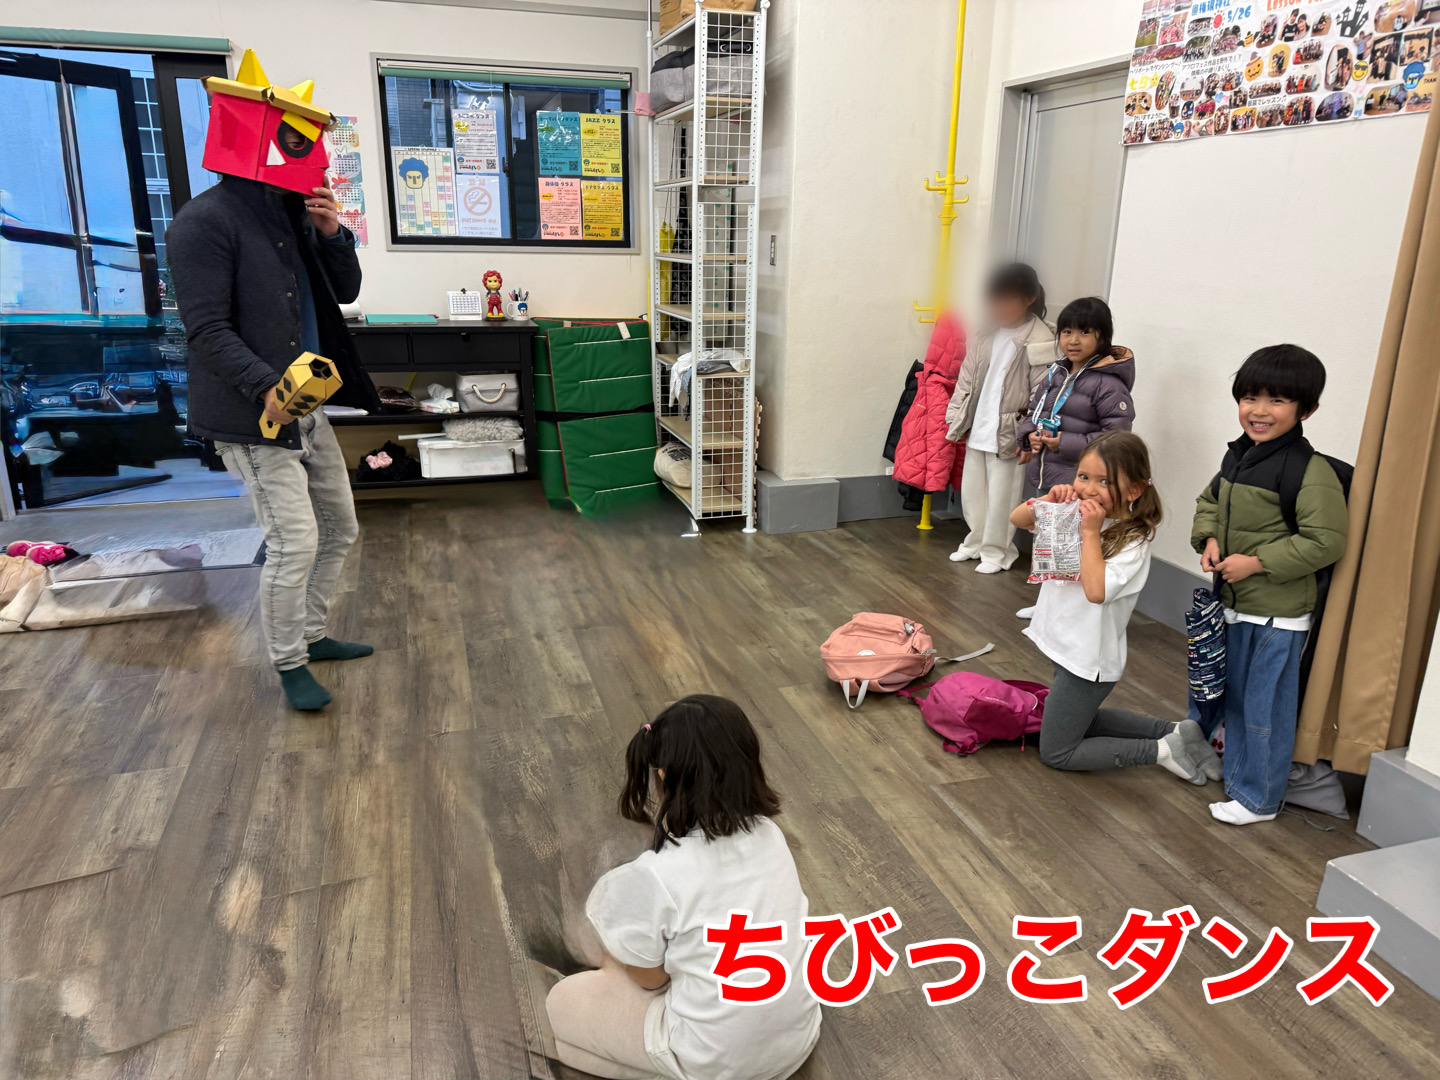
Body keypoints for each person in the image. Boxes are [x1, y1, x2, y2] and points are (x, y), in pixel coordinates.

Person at [168, 112, 378, 712]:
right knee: (294, 542)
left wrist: (332, 233)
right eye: (296, 142)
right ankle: (289, 662)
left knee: (338, 528)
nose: (313, 158)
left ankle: (311, 634)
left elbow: (345, 292)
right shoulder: (203, 222)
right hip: (253, 414)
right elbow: (205, 329)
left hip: (306, 401)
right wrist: (266, 388)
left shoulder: (293, 214)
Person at [547, 695, 820, 1080]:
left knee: (561, 1002)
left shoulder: (656, 874)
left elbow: (652, 980)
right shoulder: (771, 834)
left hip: (716, 1058)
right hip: (798, 1039)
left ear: (661, 775)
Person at [1192, 346, 1348, 825]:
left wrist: (1256, 564)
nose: (1259, 411)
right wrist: (1209, 537)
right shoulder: (1238, 457)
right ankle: (1235, 772)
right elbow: (1208, 501)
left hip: (1278, 615)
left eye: (1277, 400)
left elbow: (1325, 542)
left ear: (1307, 409)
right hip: (1235, 606)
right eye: (1250, 398)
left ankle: (1258, 799)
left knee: (1265, 710)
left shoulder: (1310, 471)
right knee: (1232, 697)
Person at [1010, 432, 1219, 782]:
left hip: (1088, 659)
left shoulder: (1133, 540)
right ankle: (1178, 732)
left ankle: (1162, 750)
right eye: (1083, 476)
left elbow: (1096, 591)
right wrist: (1046, 500)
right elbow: (1019, 519)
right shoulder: (1073, 514)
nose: (1089, 489)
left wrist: (1091, 533)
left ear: (1134, 490)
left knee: (1058, 751)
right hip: (1065, 645)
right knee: (1082, 719)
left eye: (1104, 481)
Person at [945, 263, 1056, 574]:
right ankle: (975, 542)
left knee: (1002, 497)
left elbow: (1043, 394)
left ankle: (998, 552)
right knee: (973, 492)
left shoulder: (1041, 339)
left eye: (1007, 299)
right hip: (979, 424)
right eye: (994, 299)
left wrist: (1030, 436)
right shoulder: (986, 332)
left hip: (1011, 432)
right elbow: (966, 378)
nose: (998, 306)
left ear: (1029, 298)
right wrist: (956, 417)